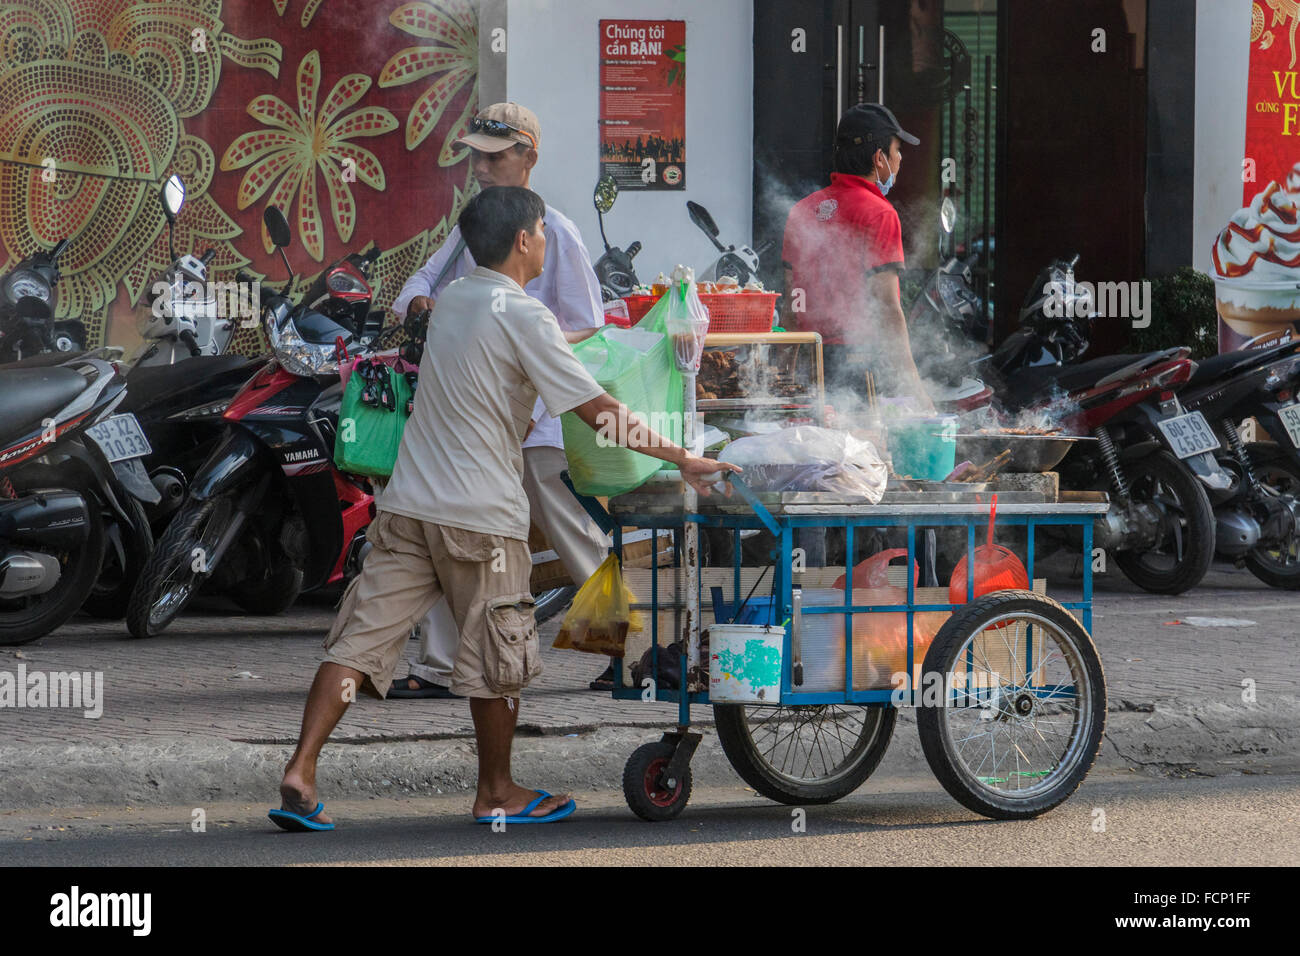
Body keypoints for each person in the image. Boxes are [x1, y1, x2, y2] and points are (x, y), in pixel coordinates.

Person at [270, 186, 738, 829]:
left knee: (359, 642)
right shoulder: (524, 316)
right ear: (523, 240)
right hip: (479, 519)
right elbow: (597, 413)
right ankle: (497, 791)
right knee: (499, 657)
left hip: (408, 507)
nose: (546, 239)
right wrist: (682, 457)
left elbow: (507, 358)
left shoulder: (456, 301)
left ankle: (301, 769)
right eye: (542, 230)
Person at [388, 102, 611, 699]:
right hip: (477, 421)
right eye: (474, 157)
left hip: (536, 420)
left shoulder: (554, 230)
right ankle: (437, 667)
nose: (480, 168)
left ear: (528, 157)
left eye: (493, 156)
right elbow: (419, 282)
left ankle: (630, 653)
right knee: (444, 525)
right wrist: (420, 305)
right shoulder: (473, 229)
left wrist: (517, 339)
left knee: (575, 539)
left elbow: (588, 324)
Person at [781, 103, 934, 412]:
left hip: (809, 365)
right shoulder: (879, 213)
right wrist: (916, 389)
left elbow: (791, 301)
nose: (900, 159)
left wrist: (785, 371)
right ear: (879, 159)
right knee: (862, 456)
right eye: (897, 151)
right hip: (859, 366)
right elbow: (887, 308)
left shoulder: (801, 210)